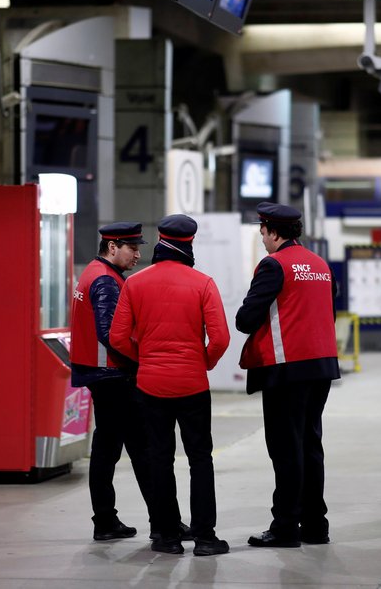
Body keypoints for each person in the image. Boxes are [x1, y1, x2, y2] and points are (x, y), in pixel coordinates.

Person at [109, 215, 232, 557]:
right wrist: (203, 360)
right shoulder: (203, 283)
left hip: (150, 385)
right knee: (200, 459)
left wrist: (145, 356)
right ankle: (206, 538)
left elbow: (117, 338)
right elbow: (220, 338)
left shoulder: (135, 283)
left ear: (160, 240)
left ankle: (166, 536)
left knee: (160, 459)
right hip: (192, 383)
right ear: (189, 245)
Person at [70, 222, 187, 543]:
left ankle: (106, 520)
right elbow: (111, 336)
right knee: (144, 450)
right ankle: (164, 523)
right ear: (112, 247)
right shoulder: (107, 281)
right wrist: (144, 358)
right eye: (132, 248)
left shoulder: (94, 273)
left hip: (99, 374)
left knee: (107, 450)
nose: (138, 254)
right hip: (113, 376)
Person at [236, 202, 340, 548]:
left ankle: (284, 527)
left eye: (263, 232)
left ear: (274, 231)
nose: (262, 239)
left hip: (285, 368)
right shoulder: (320, 266)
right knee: (310, 443)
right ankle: (315, 525)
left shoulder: (273, 265)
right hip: (321, 365)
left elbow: (245, 319)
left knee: (285, 449)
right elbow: (329, 311)